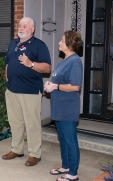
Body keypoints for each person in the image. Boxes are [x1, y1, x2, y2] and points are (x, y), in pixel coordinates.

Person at [2, 17, 51, 166]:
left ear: (32, 29)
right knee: (15, 122)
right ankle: (17, 149)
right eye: (20, 25)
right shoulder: (13, 43)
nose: (21, 28)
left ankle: (35, 154)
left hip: (30, 91)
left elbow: (47, 68)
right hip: (12, 90)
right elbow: (7, 63)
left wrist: (31, 64)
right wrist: (6, 79)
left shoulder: (39, 45)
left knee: (32, 124)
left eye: (25, 26)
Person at [44, 30, 83, 181]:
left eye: (61, 40)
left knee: (70, 140)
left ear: (68, 44)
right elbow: (59, 82)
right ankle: (65, 166)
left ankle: (73, 173)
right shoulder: (65, 61)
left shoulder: (74, 61)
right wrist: (50, 84)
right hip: (59, 107)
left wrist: (56, 87)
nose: (59, 42)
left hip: (68, 108)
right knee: (63, 138)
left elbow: (75, 86)